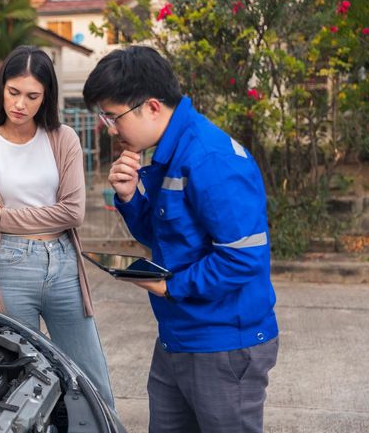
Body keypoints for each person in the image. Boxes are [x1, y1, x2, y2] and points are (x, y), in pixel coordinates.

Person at [83, 45, 278, 432]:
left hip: (223, 341)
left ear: (152, 107)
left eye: (112, 116)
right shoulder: (168, 153)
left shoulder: (210, 158)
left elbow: (243, 258)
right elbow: (164, 235)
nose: (111, 128)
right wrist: (129, 197)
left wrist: (171, 286)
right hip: (178, 335)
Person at [0, 45, 114, 408]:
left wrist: (6, 216)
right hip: (11, 267)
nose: (20, 104)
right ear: (1, 88)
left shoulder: (63, 139)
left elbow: (73, 213)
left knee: (90, 375)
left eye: (32, 96)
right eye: (13, 92)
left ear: (45, 96)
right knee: (22, 377)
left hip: (64, 264)